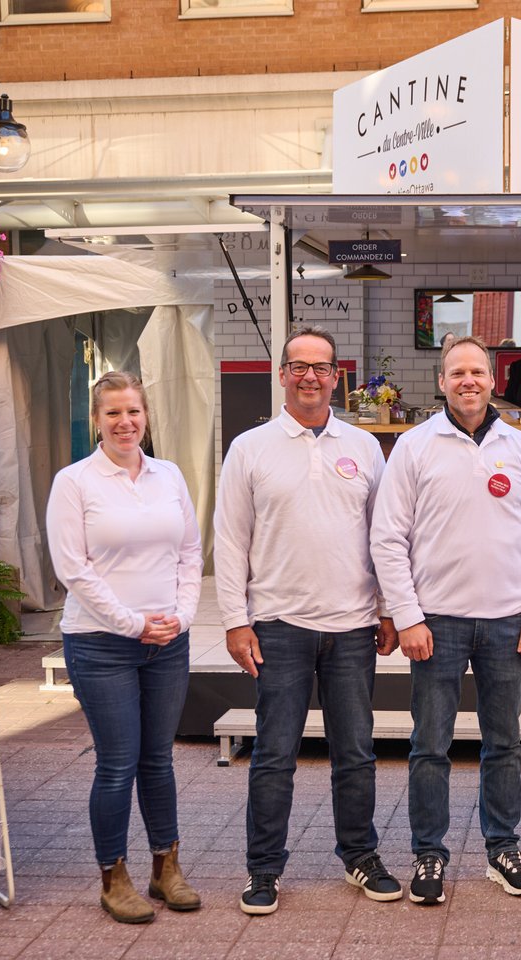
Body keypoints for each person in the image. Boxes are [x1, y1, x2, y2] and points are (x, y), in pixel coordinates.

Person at [215, 326, 402, 916]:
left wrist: (389, 608)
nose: (310, 377)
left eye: (322, 367)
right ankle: (263, 869)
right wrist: (234, 620)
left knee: (357, 752)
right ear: (283, 376)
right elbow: (229, 540)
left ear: (336, 377)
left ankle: (361, 856)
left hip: (351, 626)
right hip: (278, 624)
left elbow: (386, 536)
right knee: (274, 754)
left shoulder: (365, 446)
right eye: (299, 366)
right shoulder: (250, 447)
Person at [371, 336, 521, 906]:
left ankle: (502, 849)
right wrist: (406, 616)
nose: (468, 381)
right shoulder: (413, 446)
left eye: (477, 371)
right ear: (442, 382)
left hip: (509, 622)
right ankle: (429, 855)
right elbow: (388, 538)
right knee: (429, 745)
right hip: (438, 623)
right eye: (457, 372)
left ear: (491, 378)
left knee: (504, 744)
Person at [47, 369, 203, 924]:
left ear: (146, 416)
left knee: (158, 761)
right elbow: (74, 569)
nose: (124, 422)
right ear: (96, 420)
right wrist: (132, 623)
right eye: (112, 412)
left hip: (167, 641)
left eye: (133, 411)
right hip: (100, 643)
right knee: (118, 764)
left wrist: (182, 617)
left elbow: (189, 552)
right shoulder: (75, 482)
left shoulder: (169, 476)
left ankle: (167, 868)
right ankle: (113, 878)